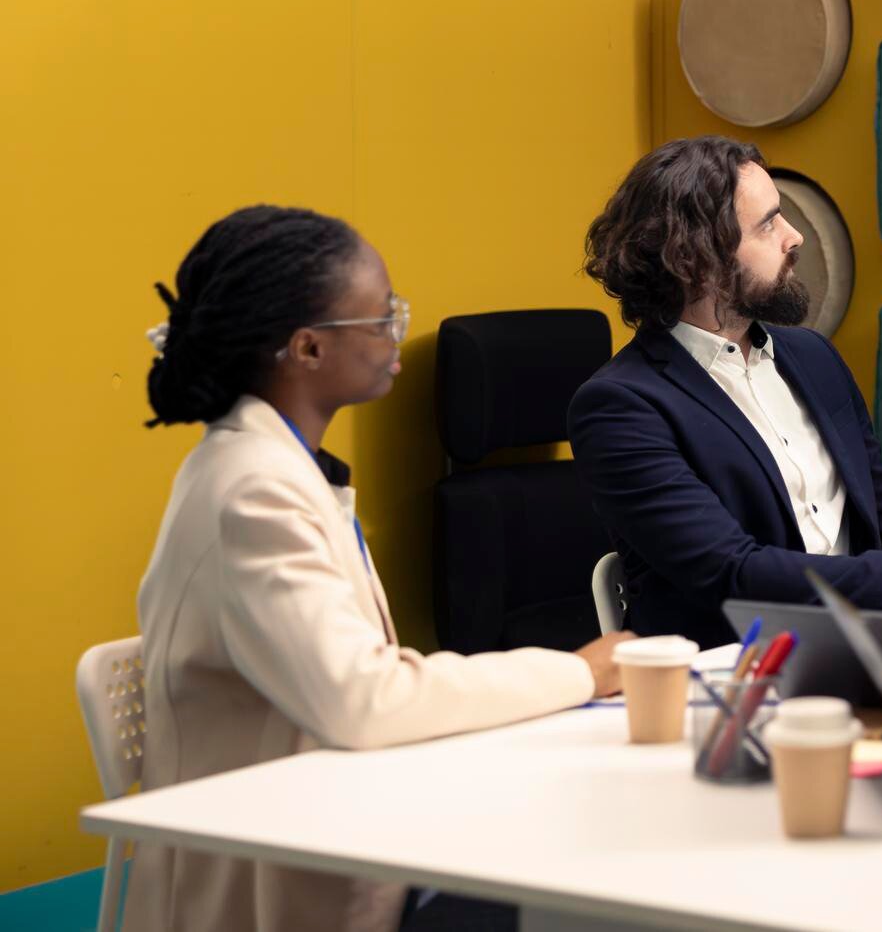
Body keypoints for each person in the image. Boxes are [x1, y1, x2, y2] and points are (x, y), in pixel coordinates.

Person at [130, 207, 629, 932]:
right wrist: (581, 671)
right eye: (380, 316)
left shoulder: (271, 466)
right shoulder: (253, 491)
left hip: (327, 819)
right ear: (308, 348)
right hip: (270, 878)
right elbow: (364, 697)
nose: (396, 330)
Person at [567, 137, 882, 648]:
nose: (794, 236)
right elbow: (730, 571)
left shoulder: (811, 356)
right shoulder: (620, 407)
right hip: (736, 669)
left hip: (867, 643)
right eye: (768, 223)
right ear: (693, 261)